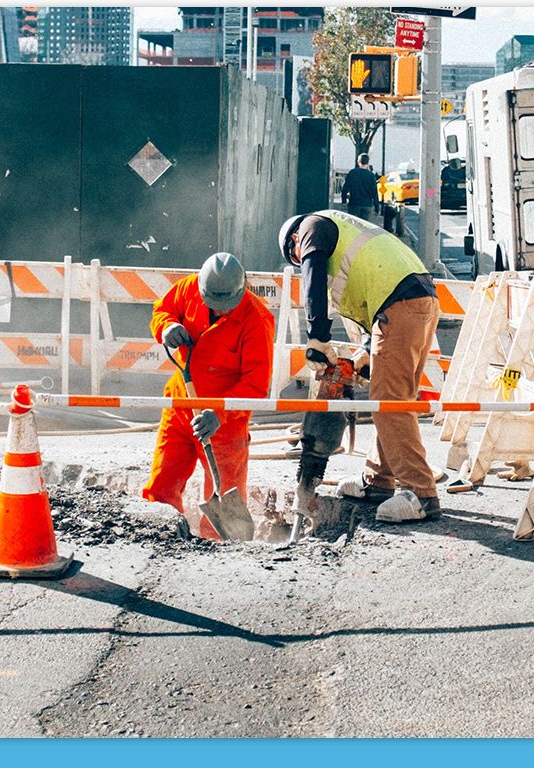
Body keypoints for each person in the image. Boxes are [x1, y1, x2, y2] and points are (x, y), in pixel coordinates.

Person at [278, 210, 442, 523]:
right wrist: (367, 350)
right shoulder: (347, 232)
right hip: (417, 299)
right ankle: (377, 480)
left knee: (389, 402)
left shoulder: (311, 226)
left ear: (295, 241)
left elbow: (312, 278)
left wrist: (318, 339)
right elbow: (374, 286)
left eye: (297, 257)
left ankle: (421, 493)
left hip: (401, 304)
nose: (301, 261)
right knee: (390, 396)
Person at [142, 252, 275, 534]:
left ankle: (218, 553)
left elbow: (256, 385)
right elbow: (161, 310)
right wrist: (166, 327)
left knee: (224, 497)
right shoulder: (189, 288)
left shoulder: (256, 319)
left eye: (226, 305)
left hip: (224, 425)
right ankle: (159, 535)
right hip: (181, 406)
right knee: (162, 485)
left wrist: (218, 413)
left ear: (240, 290)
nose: (220, 310)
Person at [342, 153, 380, 222]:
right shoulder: (371, 175)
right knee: (364, 227)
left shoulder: (352, 173)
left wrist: (344, 201)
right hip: (367, 205)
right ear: (368, 163)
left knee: (353, 226)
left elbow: (345, 188)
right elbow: (375, 193)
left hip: (354, 204)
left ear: (358, 161)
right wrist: (377, 208)